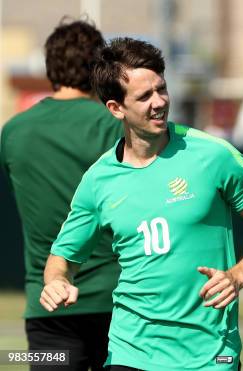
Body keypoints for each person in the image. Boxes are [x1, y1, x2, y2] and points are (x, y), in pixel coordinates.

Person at [39, 37, 243, 370]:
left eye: (161, 89)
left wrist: (237, 276)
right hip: (130, 352)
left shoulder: (212, 155)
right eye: (144, 96)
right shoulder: (98, 180)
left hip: (208, 356)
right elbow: (62, 259)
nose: (159, 102)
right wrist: (57, 282)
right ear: (116, 108)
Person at [0, 19, 123, 370]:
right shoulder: (115, 126)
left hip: (47, 306)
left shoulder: (13, 132)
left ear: (50, 66)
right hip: (118, 303)